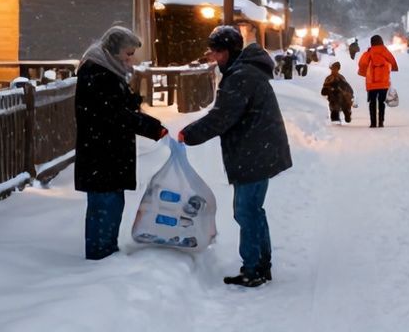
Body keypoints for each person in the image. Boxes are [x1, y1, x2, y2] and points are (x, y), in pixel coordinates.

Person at [179, 26, 293, 287]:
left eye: (218, 52)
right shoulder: (245, 71)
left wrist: (189, 134)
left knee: (245, 212)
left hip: (253, 152)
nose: (214, 57)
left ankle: (253, 269)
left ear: (230, 51)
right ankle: (261, 264)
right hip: (258, 149)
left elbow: (222, 117)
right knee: (253, 211)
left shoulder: (241, 76)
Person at [73, 26, 167, 260]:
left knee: (112, 203)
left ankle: (107, 251)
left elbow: (116, 106)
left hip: (108, 153)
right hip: (101, 154)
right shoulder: (97, 73)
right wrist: (150, 127)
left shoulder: (108, 70)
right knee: (104, 206)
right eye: (128, 53)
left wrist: (131, 100)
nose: (131, 59)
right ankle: (100, 256)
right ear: (113, 51)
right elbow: (114, 114)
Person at [358, 34, 399, 128]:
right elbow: (393, 62)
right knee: (381, 103)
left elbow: (362, 63)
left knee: (372, 102)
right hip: (384, 83)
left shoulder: (369, 52)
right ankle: (381, 122)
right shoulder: (385, 51)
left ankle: (373, 123)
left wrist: (364, 73)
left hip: (371, 83)